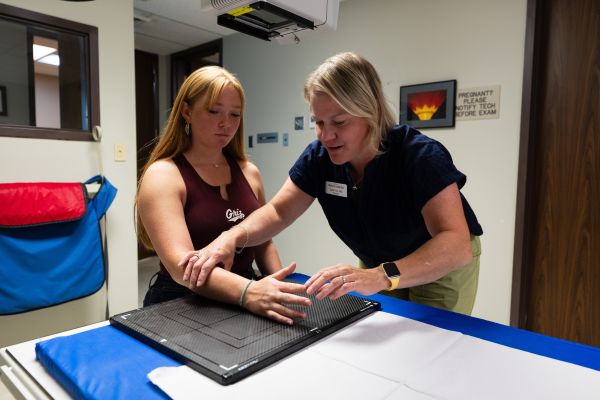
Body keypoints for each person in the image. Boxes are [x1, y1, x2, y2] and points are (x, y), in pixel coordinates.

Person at [179, 53, 483, 315]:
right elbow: (278, 213)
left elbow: (456, 244)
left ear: (372, 111)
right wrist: (231, 237)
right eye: (319, 122)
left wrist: (382, 275)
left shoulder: (419, 156)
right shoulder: (320, 158)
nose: (326, 135)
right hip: (380, 260)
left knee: (431, 351)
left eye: (339, 122)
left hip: (438, 265)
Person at [135, 66, 311, 325]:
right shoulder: (163, 175)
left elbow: (262, 242)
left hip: (244, 296)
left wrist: (280, 288)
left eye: (234, 114)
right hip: (182, 300)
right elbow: (181, 267)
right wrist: (248, 292)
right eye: (213, 111)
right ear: (186, 112)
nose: (225, 123)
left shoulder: (249, 172)